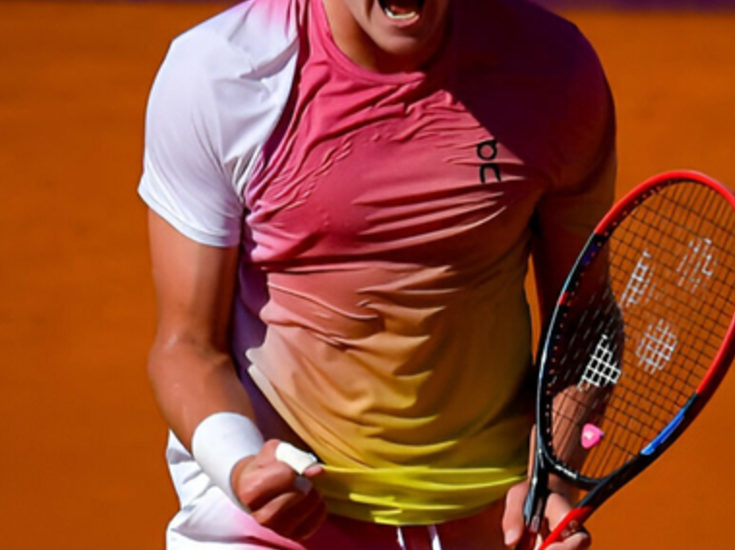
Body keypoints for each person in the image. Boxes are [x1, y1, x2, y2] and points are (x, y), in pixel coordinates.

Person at [138, 0, 616, 549]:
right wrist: (241, 464)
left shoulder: (552, 71)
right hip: (270, 520)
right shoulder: (222, 74)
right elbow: (186, 345)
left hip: (488, 518)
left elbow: (586, 321)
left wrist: (552, 482)